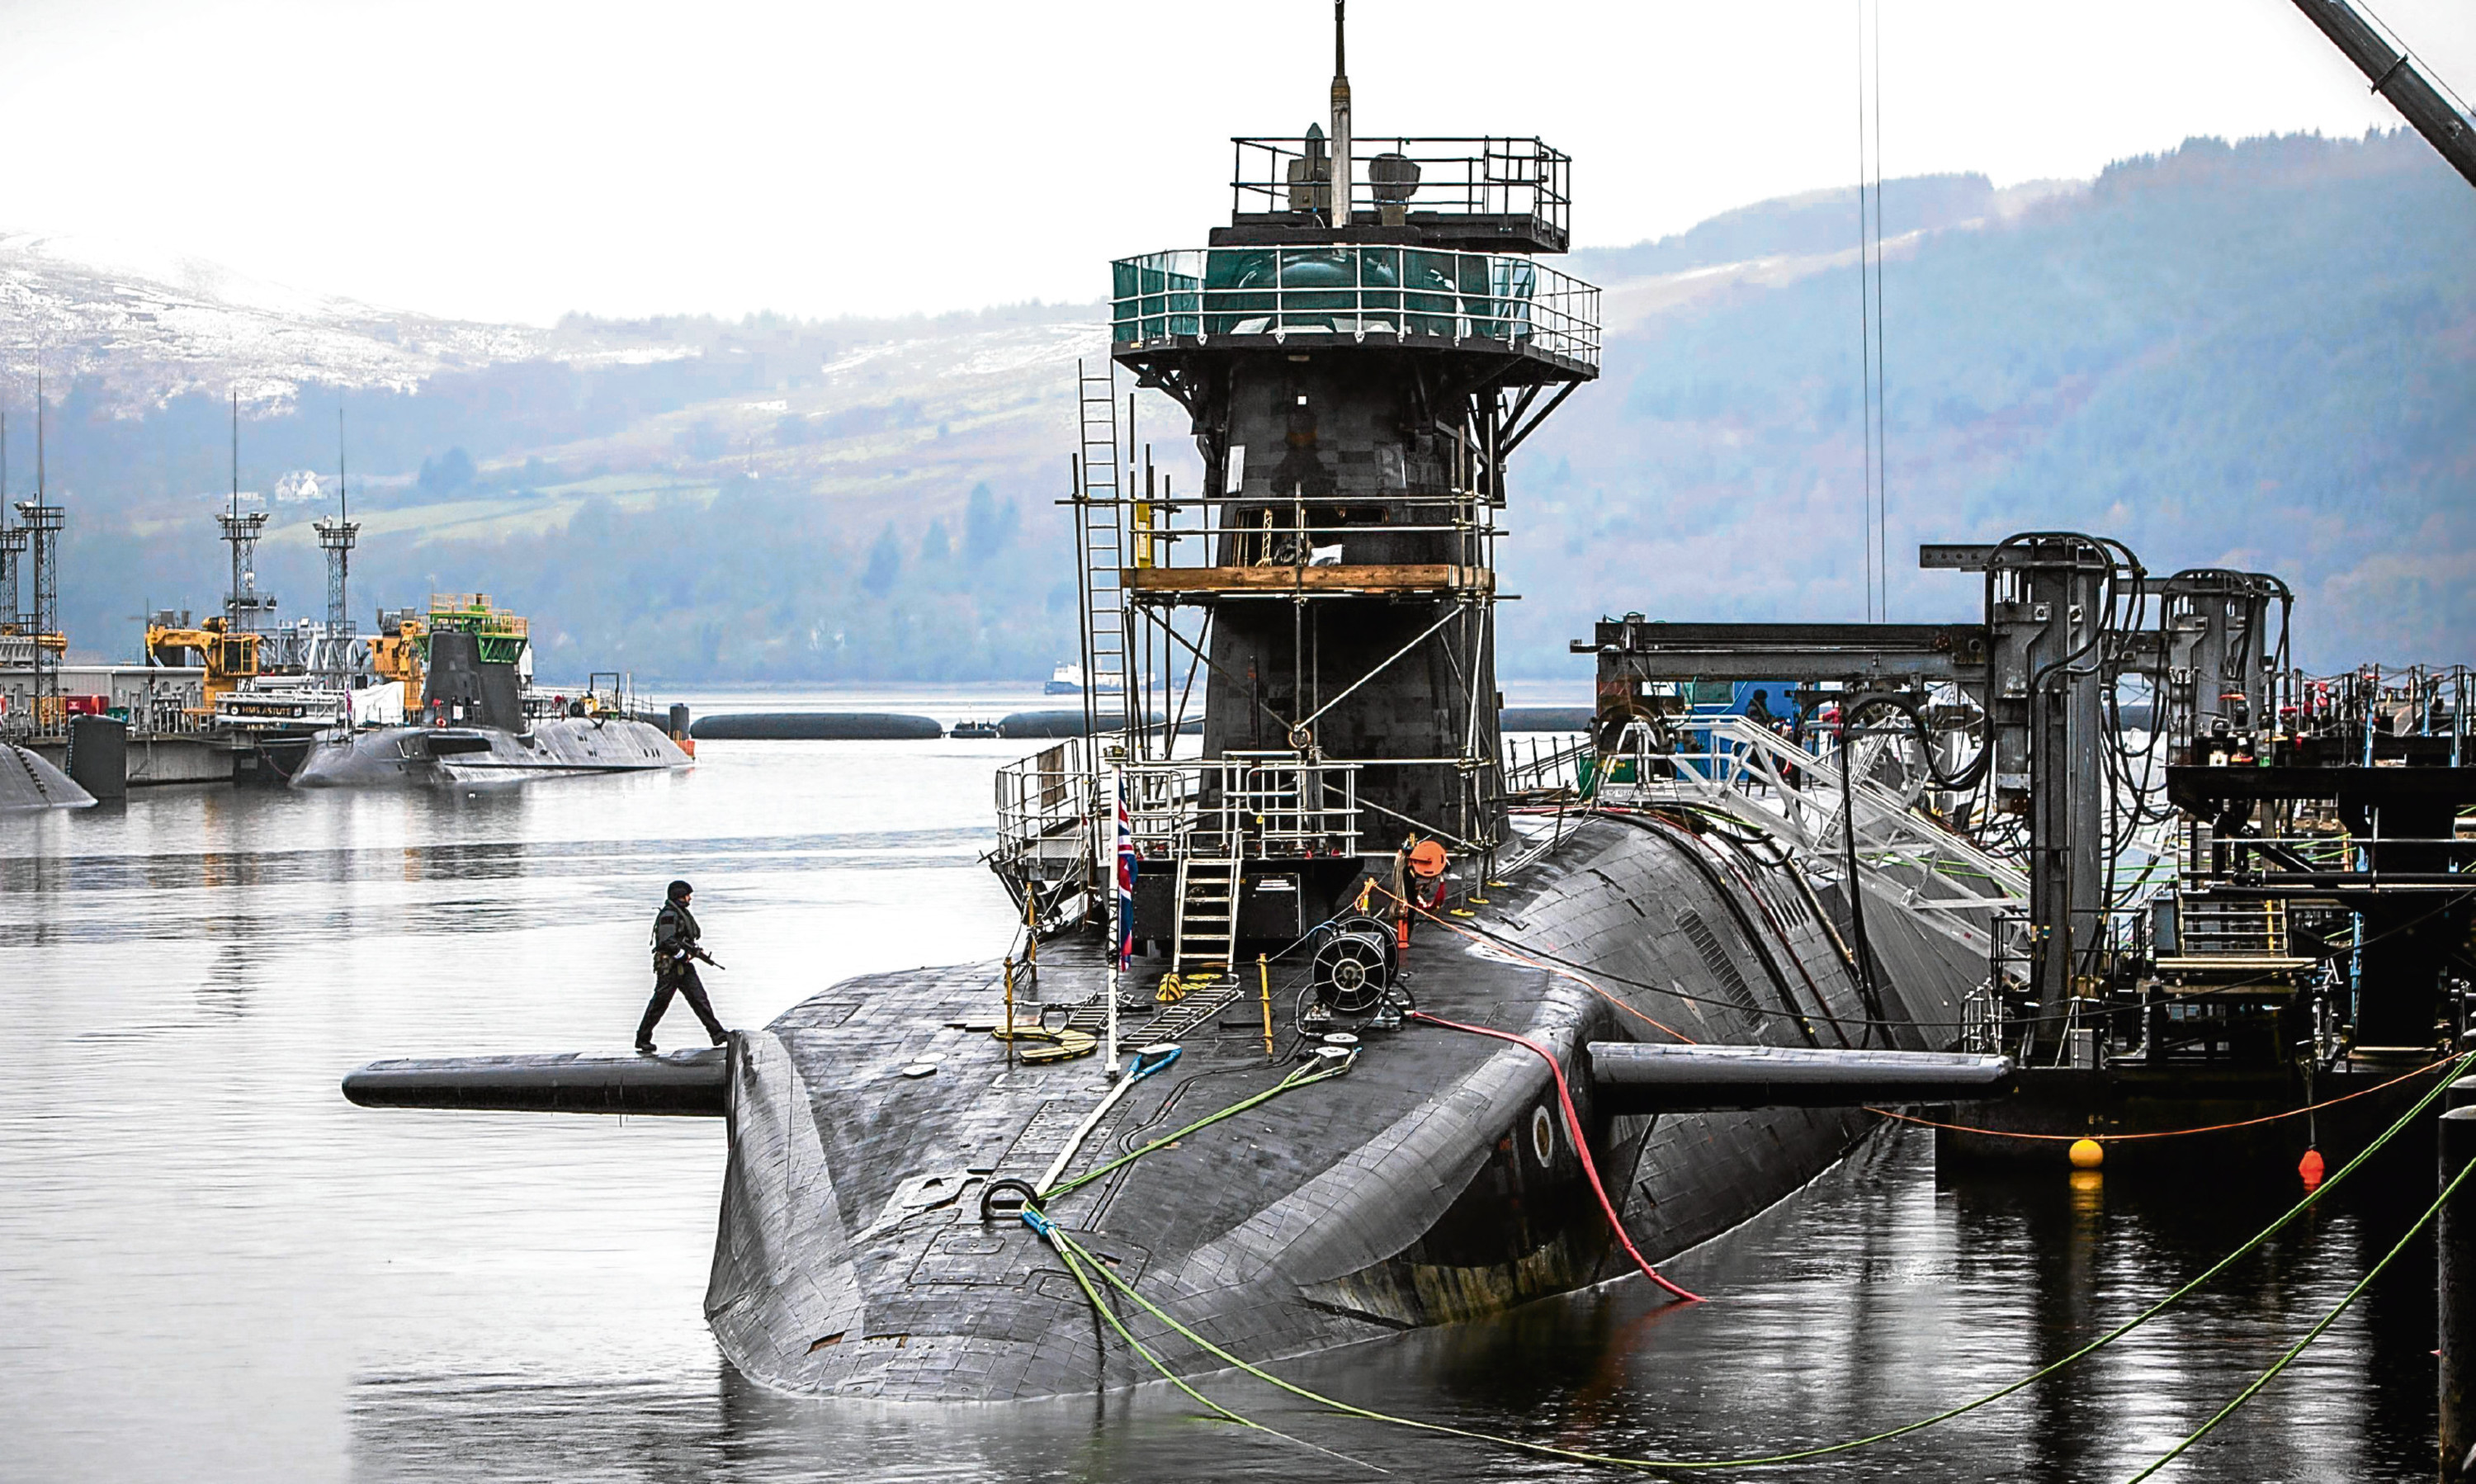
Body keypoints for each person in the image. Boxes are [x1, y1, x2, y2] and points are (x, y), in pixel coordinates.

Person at [637, 879, 728, 1053]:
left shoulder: (680, 914)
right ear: (679, 897)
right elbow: (666, 940)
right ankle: (643, 1038)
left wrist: (691, 952)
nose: (690, 899)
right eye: (687, 895)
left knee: (699, 999)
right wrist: (682, 954)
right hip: (670, 967)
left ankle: (717, 1034)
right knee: (660, 1003)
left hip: (683, 966)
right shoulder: (669, 915)